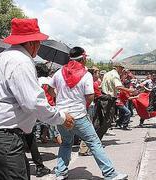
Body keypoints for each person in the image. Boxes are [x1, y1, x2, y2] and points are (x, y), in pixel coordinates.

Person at [0, 18, 74, 180]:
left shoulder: (3, 57)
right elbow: (33, 102)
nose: (39, 46)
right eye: (38, 42)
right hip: (5, 136)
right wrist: (61, 118)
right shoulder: (20, 61)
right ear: (31, 43)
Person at [49, 47, 127, 180]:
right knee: (94, 142)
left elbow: (50, 90)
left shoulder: (58, 72)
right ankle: (110, 173)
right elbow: (90, 96)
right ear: (83, 58)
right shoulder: (86, 74)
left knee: (66, 143)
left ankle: (61, 173)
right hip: (79, 115)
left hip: (61, 115)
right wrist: (81, 106)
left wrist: (60, 100)